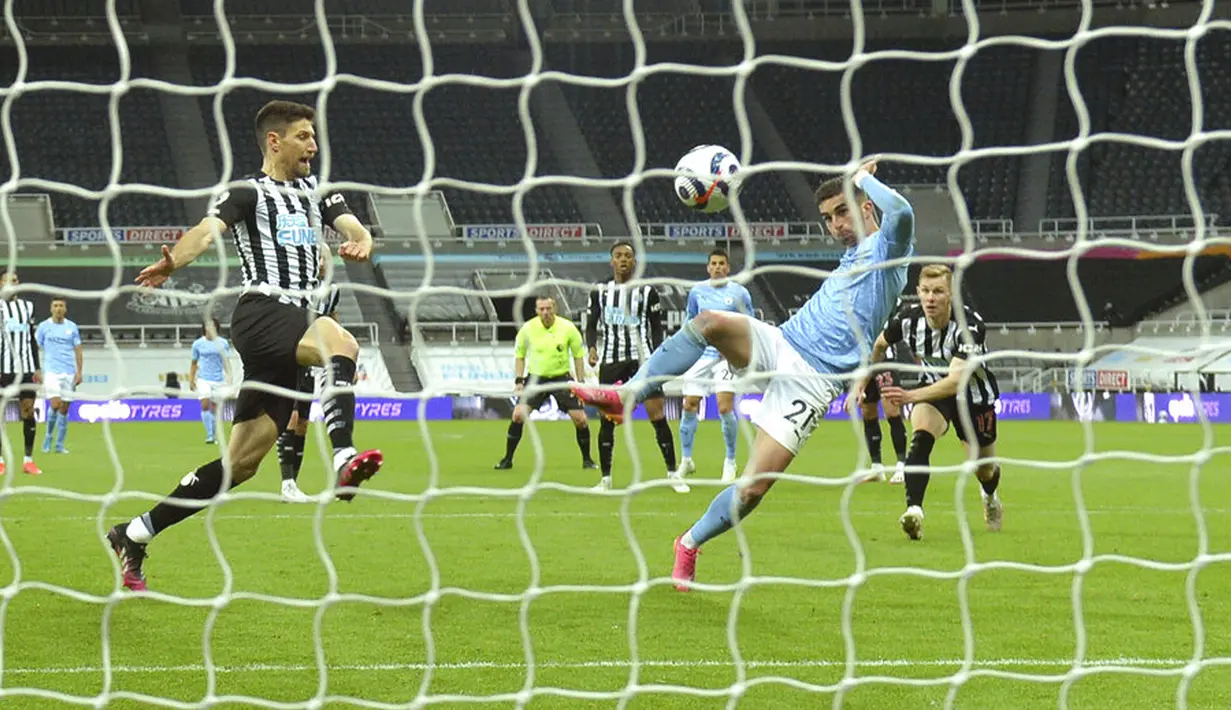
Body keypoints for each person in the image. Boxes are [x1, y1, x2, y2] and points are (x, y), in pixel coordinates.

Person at [573, 160, 913, 590]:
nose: (835, 224)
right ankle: (627, 397)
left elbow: (901, 212)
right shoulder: (849, 257)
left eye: (842, 212)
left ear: (866, 207)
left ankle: (689, 543)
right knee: (710, 322)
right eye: (828, 217)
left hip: (815, 381)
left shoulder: (889, 249)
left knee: (753, 488)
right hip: (783, 341)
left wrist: (860, 177)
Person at [106, 100, 383, 592]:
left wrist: (362, 242)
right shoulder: (247, 193)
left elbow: (354, 226)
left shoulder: (319, 193)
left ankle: (134, 533)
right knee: (341, 341)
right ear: (274, 141)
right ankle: (343, 458)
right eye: (303, 137)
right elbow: (205, 233)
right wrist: (174, 263)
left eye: (314, 137)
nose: (313, 146)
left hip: (291, 321)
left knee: (242, 465)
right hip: (262, 312)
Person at [873, 265, 1003, 540]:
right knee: (920, 437)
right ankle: (914, 511)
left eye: (938, 291)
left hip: (973, 397)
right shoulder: (907, 320)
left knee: (984, 468)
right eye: (926, 291)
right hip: (935, 392)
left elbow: (956, 381)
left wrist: (910, 396)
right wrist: (867, 381)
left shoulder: (970, 326)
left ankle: (990, 497)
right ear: (918, 293)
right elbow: (879, 345)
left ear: (951, 294)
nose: (931, 298)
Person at [585, 241, 687, 493]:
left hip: (643, 361)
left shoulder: (648, 291)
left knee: (657, 414)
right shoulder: (600, 291)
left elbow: (656, 326)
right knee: (607, 419)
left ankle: (673, 474)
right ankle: (606, 479)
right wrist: (591, 348)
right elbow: (590, 323)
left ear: (634, 262)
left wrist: (657, 356)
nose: (622, 260)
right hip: (611, 361)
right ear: (611, 261)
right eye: (618, 256)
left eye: (627, 256)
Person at [675, 248, 754, 484]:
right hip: (700, 356)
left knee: (723, 407)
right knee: (689, 404)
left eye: (722, 263)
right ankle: (687, 460)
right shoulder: (698, 291)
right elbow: (689, 320)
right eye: (714, 263)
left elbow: (749, 323)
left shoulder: (739, 293)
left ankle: (729, 462)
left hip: (726, 358)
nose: (718, 267)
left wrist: (737, 348)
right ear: (708, 267)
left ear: (728, 268)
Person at [494, 294, 596, 471]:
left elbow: (578, 356)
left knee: (580, 420)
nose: (545, 312)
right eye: (541, 309)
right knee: (518, 415)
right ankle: (507, 459)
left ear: (555, 308)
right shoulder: (527, 329)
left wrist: (580, 382)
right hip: (536, 378)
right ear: (536, 310)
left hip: (561, 378)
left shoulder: (568, 328)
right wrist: (519, 379)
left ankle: (587, 460)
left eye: (548, 308)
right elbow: (520, 355)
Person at [275, 281, 340, 504]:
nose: (321, 263)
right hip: (292, 353)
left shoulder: (333, 289)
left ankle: (294, 483)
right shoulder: (295, 279)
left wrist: (339, 355)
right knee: (291, 418)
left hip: (312, 362)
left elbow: (332, 319)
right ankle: (287, 483)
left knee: (303, 423)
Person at [857, 296, 914, 484]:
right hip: (864, 362)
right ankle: (877, 467)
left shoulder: (889, 297)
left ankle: (901, 465)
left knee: (891, 411)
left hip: (885, 359)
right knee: (868, 412)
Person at [0, 272, 42, 475]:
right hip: (2, 369)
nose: (12, 284)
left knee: (28, 411)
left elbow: (32, 340)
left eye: (15, 280)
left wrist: (37, 367)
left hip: (25, 368)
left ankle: (28, 460)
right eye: (8, 280)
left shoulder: (28, 307)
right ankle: (0, 461)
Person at [36, 297, 82, 455]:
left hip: (69, 371)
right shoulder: (43, 327)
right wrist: (37, 369)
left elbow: (78, 350)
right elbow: (35, 347)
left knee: (64, 409)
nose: (58, 308)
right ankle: (48, 438)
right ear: (51, 309)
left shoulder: (72, 327)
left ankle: (60, 445)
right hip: (51, 371)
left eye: (61, 305)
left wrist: (79, 371)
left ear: (65, 309)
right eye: (55, 305)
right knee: (55, 404)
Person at [189, 317, 232, 445]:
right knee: (205, 404)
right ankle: (209, 436)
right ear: (204, 328)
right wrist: (191, 379)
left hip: (218, 380)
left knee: (215, 408)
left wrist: (230, 377)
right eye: (208, 326)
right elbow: (193, 363)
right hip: (203, 379)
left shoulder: (223, 343)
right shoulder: (197, 344)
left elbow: (226, 362)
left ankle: (213, 434)